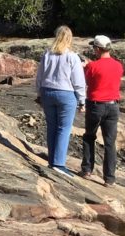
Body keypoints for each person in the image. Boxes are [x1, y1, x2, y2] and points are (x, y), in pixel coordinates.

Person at [35, 25, 86, 177]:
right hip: (66, 94)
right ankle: (58, 163)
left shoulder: (47, 55)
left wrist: (39, 93)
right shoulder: (72, 56)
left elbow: (39, 76)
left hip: (47, 92)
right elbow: (78, 81)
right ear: (70, 38)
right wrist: (82, 100)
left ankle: (52, 161)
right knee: (64, 128)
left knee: (51, 126)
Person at [81, 35, 124, 186]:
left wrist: (86, 66)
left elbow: (87, 81)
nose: (93, 50)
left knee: (89, 136)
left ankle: (87, 170)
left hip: (96, 105)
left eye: (94, 48)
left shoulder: (93, 66)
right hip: (113, 106)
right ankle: (109, 179)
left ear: (98, 49)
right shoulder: (118, 66)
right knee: (110, 143)